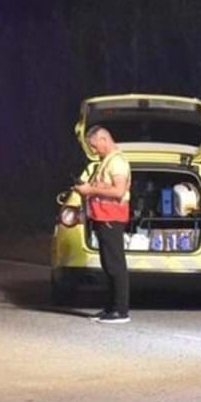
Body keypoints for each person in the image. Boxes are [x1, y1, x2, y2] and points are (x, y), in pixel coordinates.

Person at [72, 125, 132, 324]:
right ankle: (111, 308)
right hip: (103, 217)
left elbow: (118, 192)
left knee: (115, 265)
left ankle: (121, 310)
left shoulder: (117, 163)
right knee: (108, 265)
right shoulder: (106, 162)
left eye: (94, 146)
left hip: (111, 218)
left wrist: (90, 191)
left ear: (104, 139)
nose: (93, 150)